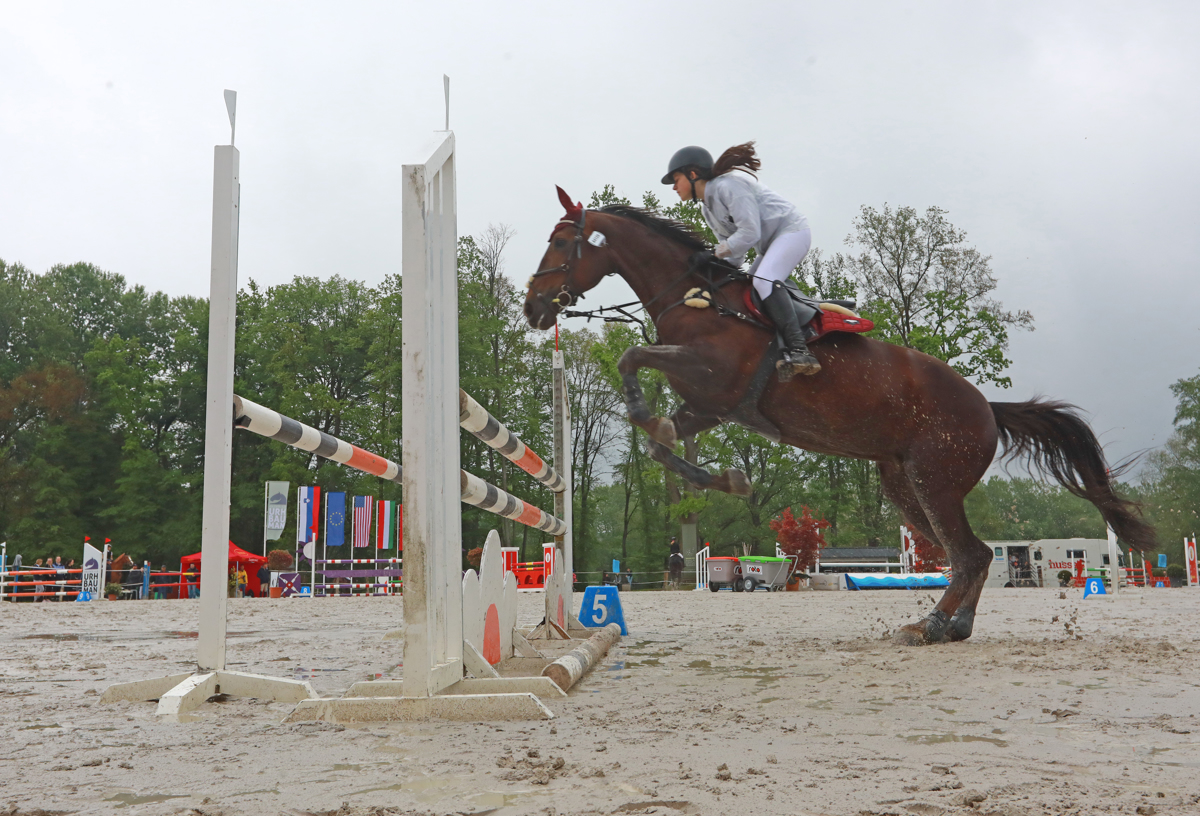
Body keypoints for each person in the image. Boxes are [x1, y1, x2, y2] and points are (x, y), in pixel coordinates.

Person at [662, 142, 820, 379]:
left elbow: (749, 233)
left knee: (764, 281)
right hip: (769, 245)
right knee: (746, 286)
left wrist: (713, 254)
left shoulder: (729, 186)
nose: (674, 187)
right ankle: (776, 346)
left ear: (693, 174)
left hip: (792, 232)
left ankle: (800, 349)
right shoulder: (707, 209)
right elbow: (734, 253)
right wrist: (715, 269)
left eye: (676, 179)